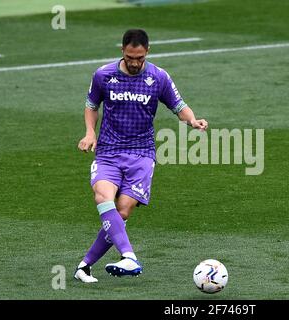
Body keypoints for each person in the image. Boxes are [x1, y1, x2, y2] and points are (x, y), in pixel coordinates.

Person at [74, 29, 208, 283]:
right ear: (122, 51)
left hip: (142, 154)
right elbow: (92, 106)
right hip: (109, 152)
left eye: (140, 58)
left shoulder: (158, 77)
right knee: (103, 197)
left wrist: (193, 121)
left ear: (147, 52)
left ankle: (84, 266)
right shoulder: (103, 75)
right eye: (130, 57)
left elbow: (179, 106)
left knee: (122, 212)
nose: (135, 63)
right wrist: (90, 132)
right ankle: (129, 256)